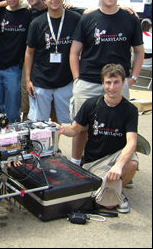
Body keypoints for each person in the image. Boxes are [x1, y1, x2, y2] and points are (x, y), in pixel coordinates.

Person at [69, 0, 144, 165]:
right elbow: (74, 52)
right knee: (82, 127)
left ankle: (121, 165)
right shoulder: (88, 19)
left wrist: (133, 77)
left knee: (118, 127)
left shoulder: (130, 19)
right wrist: (77, 79)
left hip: (119, 82)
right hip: (88, 81)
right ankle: (76, 164)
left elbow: (139, 51)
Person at [56, 64, 138, 213]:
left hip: (116, 155)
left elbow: (132, 142)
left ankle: (118, 192)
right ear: (103, 83)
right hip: (94, 162)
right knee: (109, 206)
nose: (112, 87)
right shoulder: (91, 104)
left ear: (123, 82)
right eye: (108, 82)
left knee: (132, 164)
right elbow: (75, 130)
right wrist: (62, 130)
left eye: (116, 82)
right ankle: (111, 193)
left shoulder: (130, 110)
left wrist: (119, 165)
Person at [25, 0, 82, 125]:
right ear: (44, 0)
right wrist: (28, 80)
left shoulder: (76, 19)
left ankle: (55, 147)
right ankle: (42, 149)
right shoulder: (37, 23)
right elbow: (29, 52)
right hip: (41, 81)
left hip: (66, 81)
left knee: (63, 122)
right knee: (39, 123)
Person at [0, 0, 32, 123]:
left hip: (13, 67)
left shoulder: (28, 13)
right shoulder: (2, 12)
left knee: (12, 107)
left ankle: (13, 138)